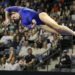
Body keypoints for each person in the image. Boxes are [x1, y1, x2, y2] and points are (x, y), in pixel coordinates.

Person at [3, 6, 75, 35]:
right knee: (58, 32)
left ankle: (74, 33)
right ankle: (71, 34)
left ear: (14, 12)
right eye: (13, 19)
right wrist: (33, 25)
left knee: (57, 27)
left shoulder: (19, 9)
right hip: (41, 25)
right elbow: (30, 27)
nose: (13, 18)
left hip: (40, 16)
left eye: (13, 16)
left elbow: (7, 9)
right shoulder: (23, 22)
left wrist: (7, 19)